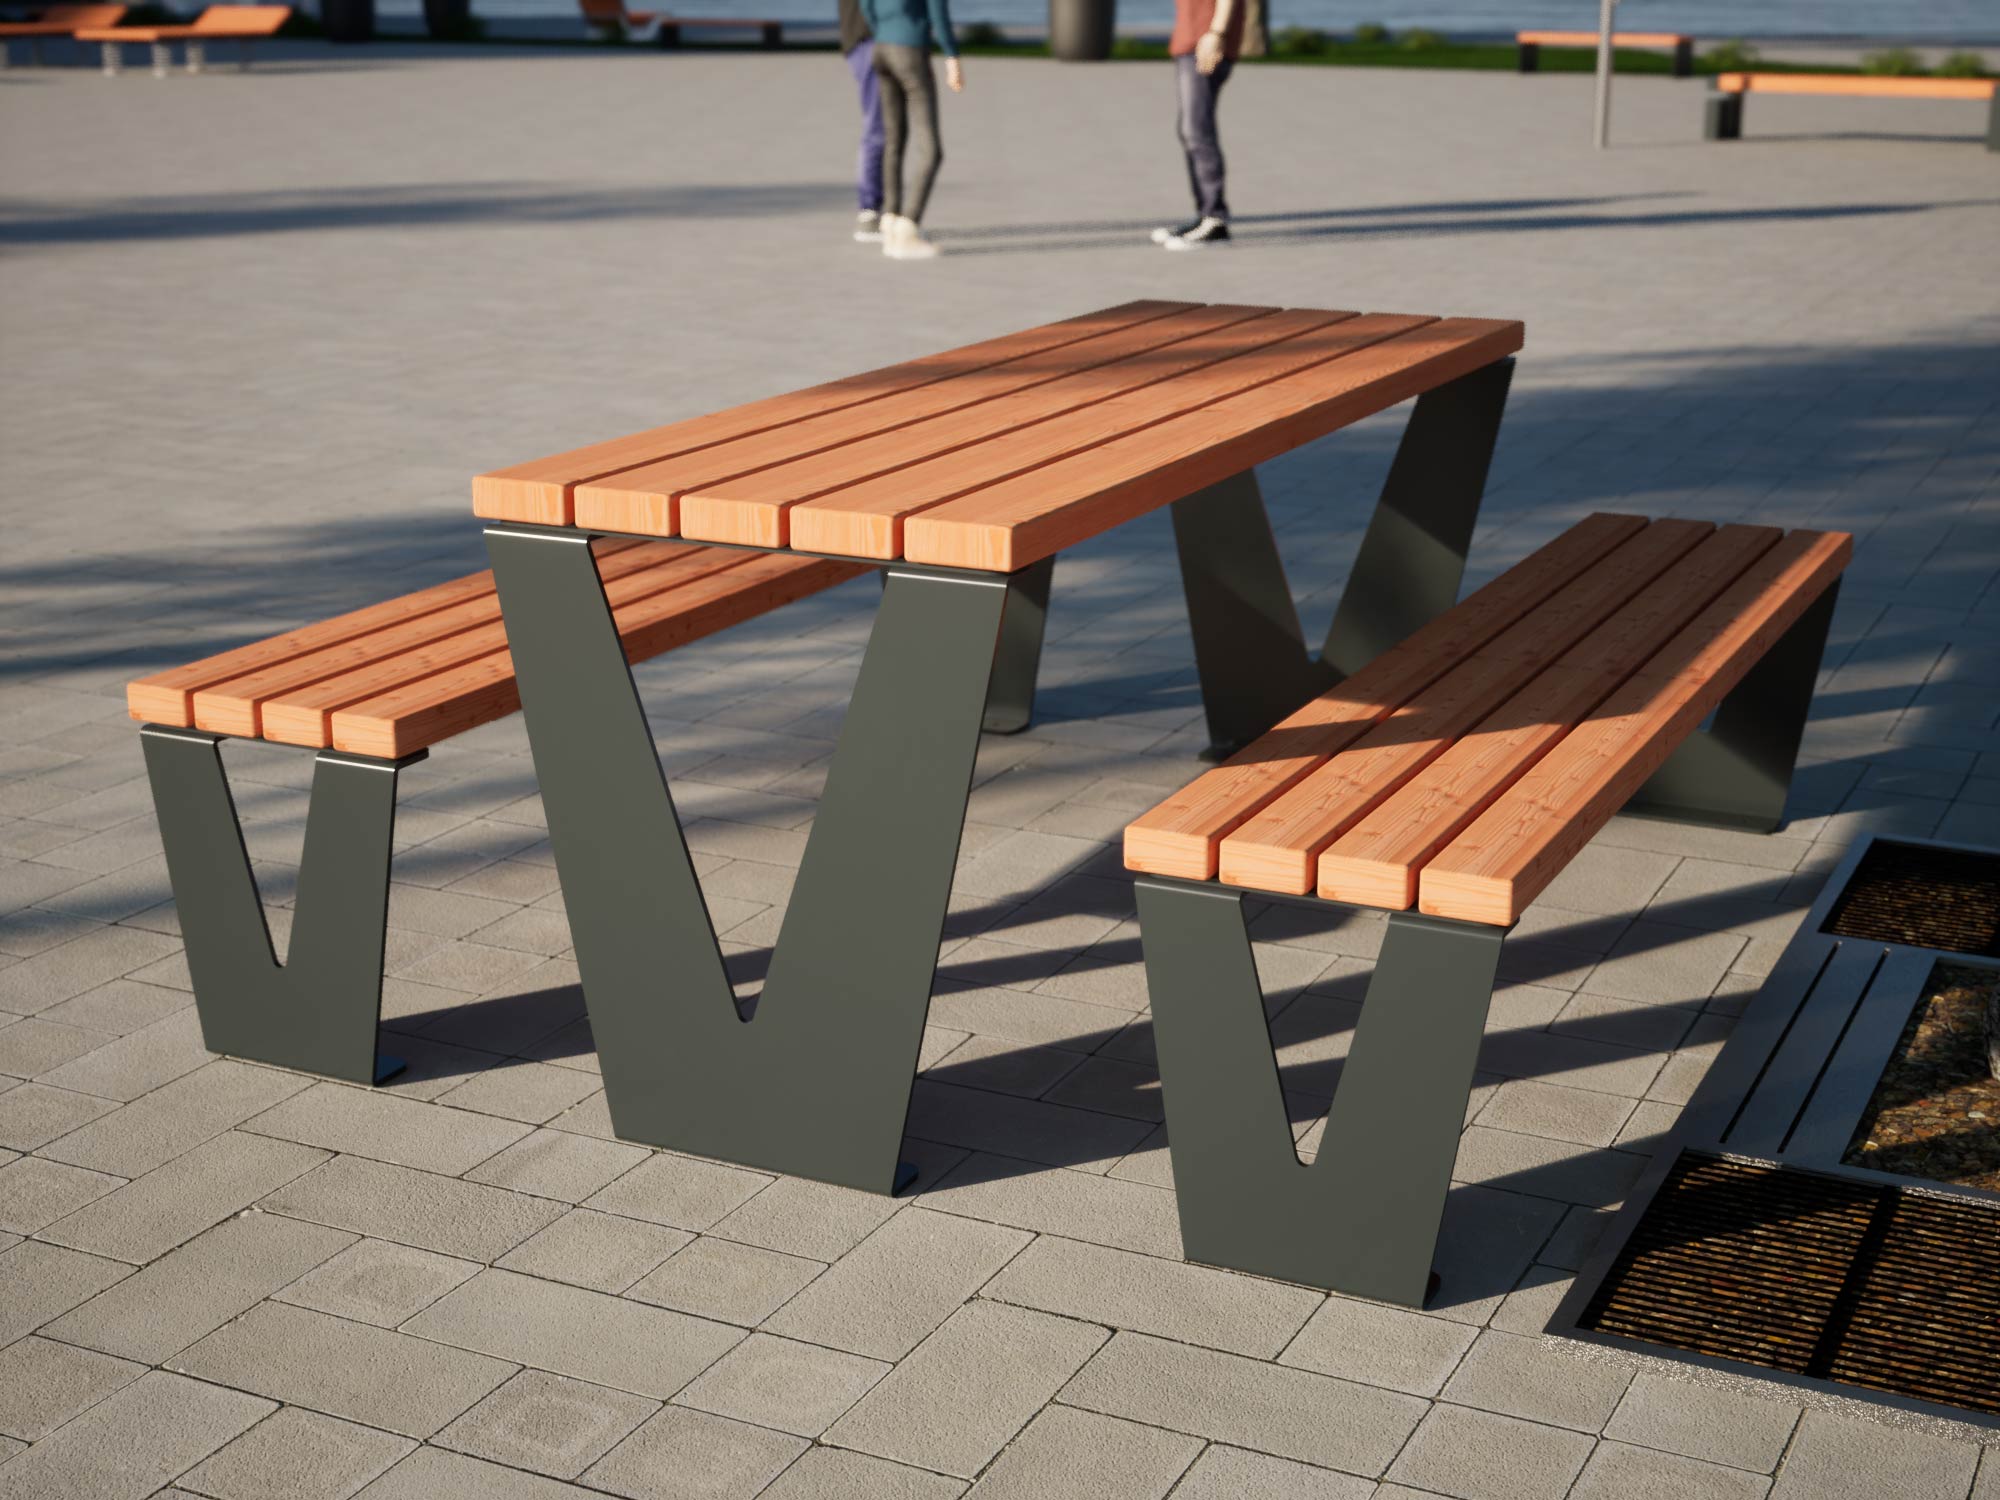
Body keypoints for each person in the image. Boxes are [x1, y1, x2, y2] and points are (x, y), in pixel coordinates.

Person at [858, 0, 963, 260]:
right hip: (910, 49)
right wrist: (952, 55)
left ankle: (891, 221)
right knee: (931, 150)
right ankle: (907, 230)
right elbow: (938, 12)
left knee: (894, 141)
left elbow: (865, 6)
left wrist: (882, 30)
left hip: (881, 49)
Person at [1152, 0, 1242, 250]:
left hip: (1205, 42)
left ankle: (1215, 220)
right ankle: (1204, 216)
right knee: (1189, 131)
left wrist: (1216, 33)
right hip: (1191, 40)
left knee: (1197, 131)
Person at [839, 0, 887, 242]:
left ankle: (883, 212)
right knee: (878, 129)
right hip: (869, 40)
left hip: (869, 40)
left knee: (886, 129)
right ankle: (869, 213)